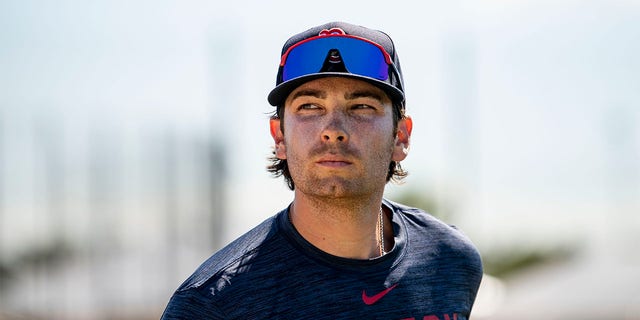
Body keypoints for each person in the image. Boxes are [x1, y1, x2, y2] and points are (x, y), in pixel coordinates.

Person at [161, 21, 483, 320]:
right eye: (310, 106)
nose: (332, 130)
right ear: (280, 137)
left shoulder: (451, 262)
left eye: (361, 106)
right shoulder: (212, 305)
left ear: (400, 137)